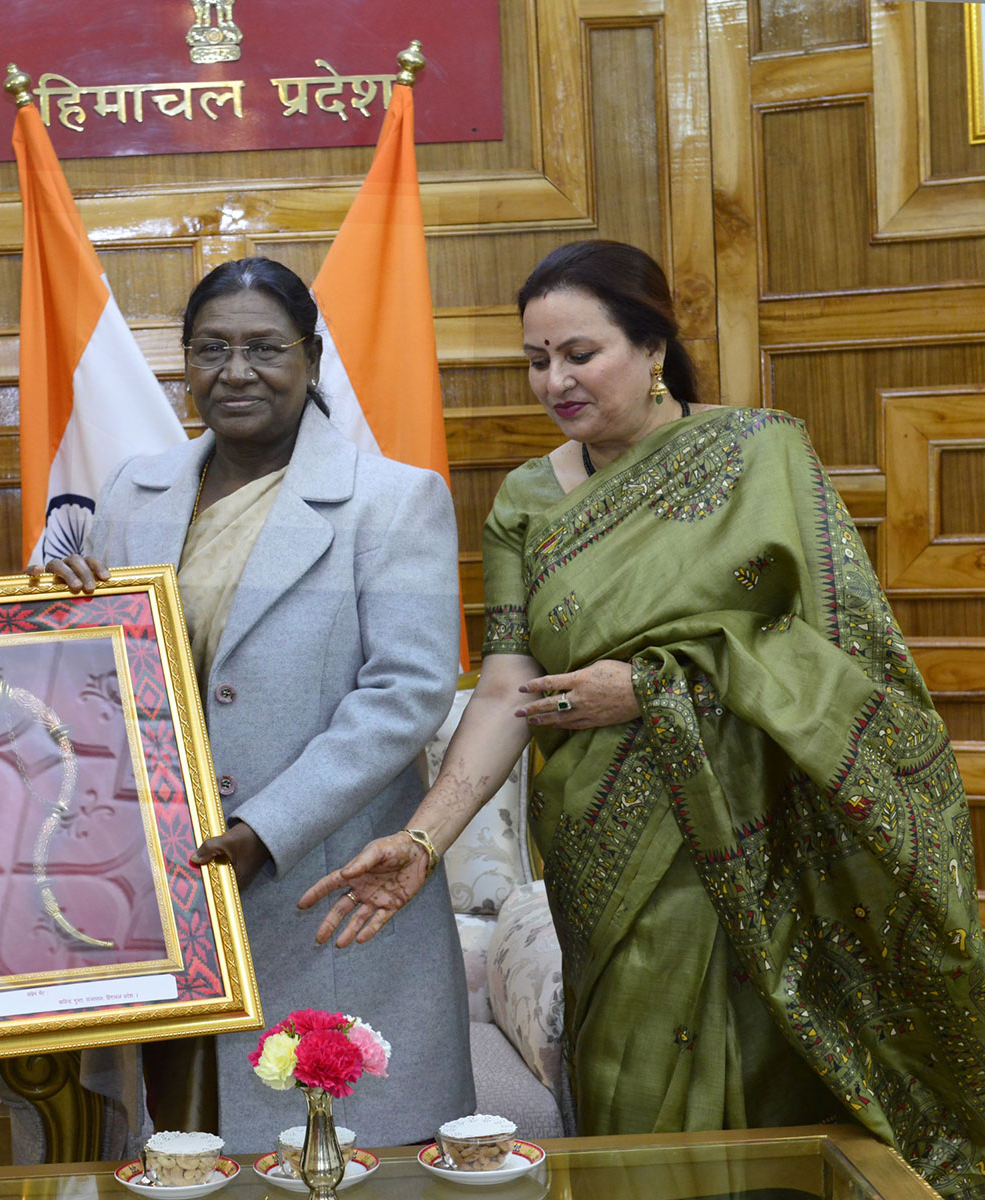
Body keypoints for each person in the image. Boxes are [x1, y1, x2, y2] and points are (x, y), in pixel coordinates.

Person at [300, 239, 985, 1197]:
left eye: (580, 353)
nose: (555, 381)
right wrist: (423, 840)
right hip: (607, 849)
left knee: (781, 1106)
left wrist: (659, 687)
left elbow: (848, 657)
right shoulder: (526, 500)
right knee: (637, 1090)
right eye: (537, 360)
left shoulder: (760, 451)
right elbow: (506, 688)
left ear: (653, 345)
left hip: (765, 838)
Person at [41, 257, 471, 1153]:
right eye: (211, 349)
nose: (235, 372)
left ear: (310, 359)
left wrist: (261, 832)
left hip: (320, 890)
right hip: (166, 894)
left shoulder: (393, 502)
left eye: (264, 348)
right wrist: (65, 612)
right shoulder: (132, 493)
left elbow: (408, 692)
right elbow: (106, 676)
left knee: (336, 1156)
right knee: (184, 1148)